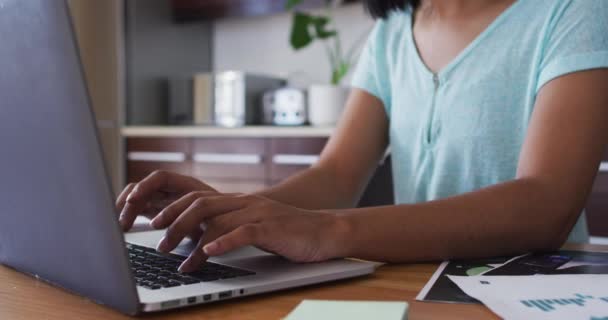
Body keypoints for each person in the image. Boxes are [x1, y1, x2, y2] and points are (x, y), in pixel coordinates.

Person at [117, 0, 608, 273]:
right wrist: (237, 212)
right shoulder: (393, 32)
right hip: (417, 276)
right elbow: (336, 174)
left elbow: (546, 205)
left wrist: (333, 230)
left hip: (535, 290)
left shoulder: (573, 11)